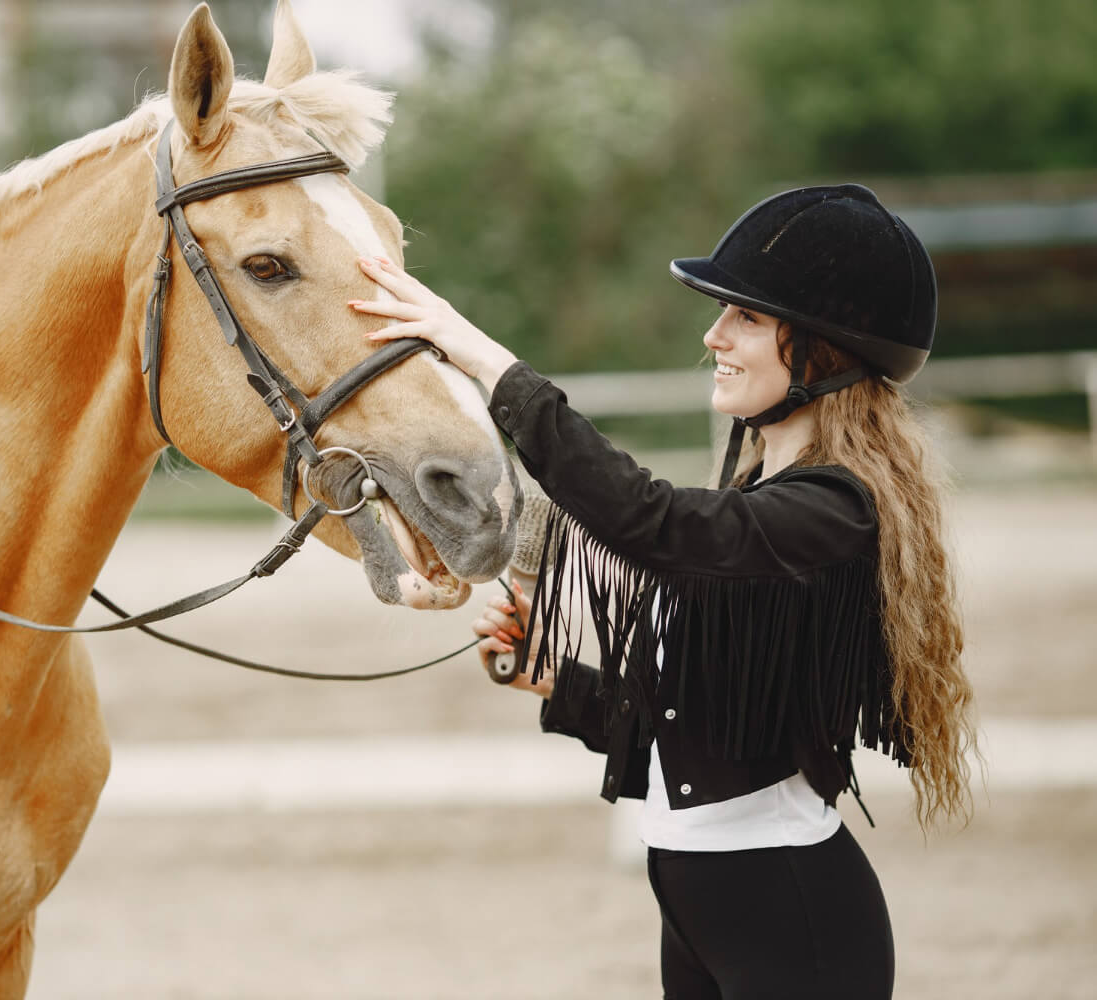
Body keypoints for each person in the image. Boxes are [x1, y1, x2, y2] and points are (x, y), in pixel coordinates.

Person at [348, 183, 978, 999]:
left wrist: (479, 356)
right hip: (702, 904)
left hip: (791, 919)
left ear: (822, 350)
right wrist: (560, 683)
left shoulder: (835, 510)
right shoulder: (768, 502)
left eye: (745, 316)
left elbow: (655, 525)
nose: (713, 334)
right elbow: (708, 725)